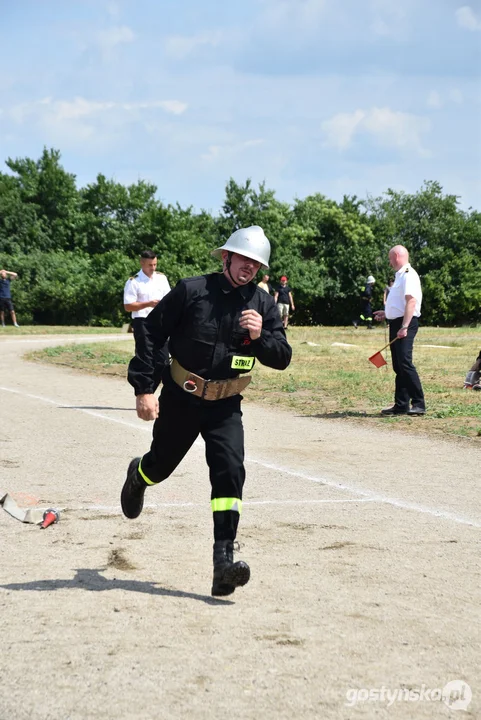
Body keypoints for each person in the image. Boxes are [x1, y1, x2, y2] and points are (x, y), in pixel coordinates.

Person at [121, 226, 292, 597]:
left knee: (230, 471)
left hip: (226, 406)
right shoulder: (191, 290)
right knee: (160, 466)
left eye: (255, 263)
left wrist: (262, 335)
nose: (248, 267)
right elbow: (150, 333)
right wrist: (145, 388)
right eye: (242, 259)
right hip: (182, 399)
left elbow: (282, 358)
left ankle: (223, 564)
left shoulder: (262, 305)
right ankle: (139, 475)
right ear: (227, 257)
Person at [373, 245, 426, 416]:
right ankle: (401, 404)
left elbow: (411, 302)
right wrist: (387, 313)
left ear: (396, 256)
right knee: (398, 365)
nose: (389, 262)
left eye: (390, 259)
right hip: (397, 323)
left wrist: (404, 326)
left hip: (405, 324)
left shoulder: (409, 275)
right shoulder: (400, 276)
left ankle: (419, 403)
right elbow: (400, 304)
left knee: (405, 363)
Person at [123, 250, 171, 392]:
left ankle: (149, 390)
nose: (153, 268)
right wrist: (148, 304)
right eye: (150, 265)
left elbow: (169, 299)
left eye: (155, 264)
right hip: (142, 322)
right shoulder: (134, 281)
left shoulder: (162, 278)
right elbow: (128, 306)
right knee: (145, 359)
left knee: (163, 360)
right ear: (142, 263)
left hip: (160, 322)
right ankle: (144, 392)